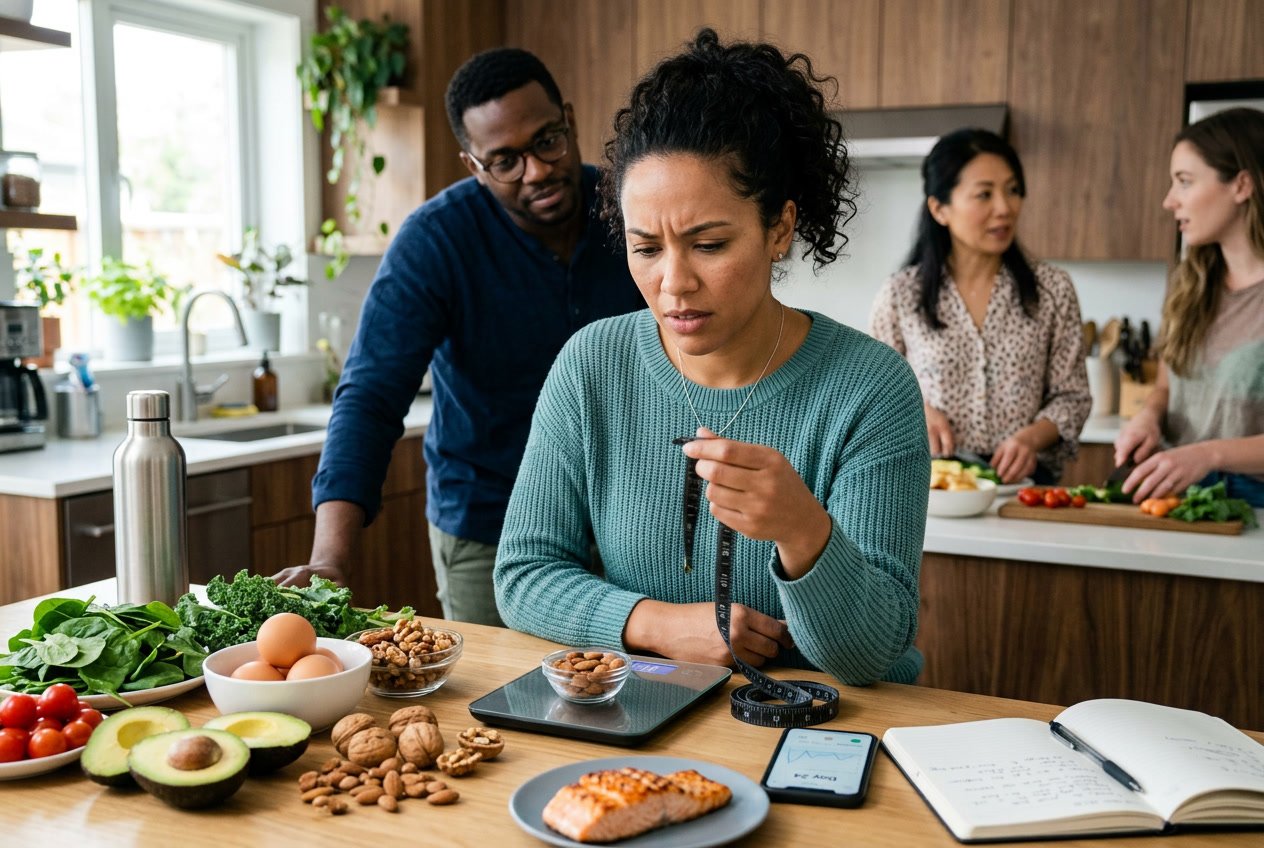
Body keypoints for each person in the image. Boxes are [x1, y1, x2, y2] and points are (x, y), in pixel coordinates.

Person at [494, 29, 929, 686]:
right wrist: (655, 623)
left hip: (827, 738)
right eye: (646, 248)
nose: (674, 282)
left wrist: (803, 531)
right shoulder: (592, 366)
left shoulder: (869, 387)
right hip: (650, 728)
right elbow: (524, 577)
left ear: (778, 229)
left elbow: (872, 655)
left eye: (709, 244)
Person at [272, 48, 644, 622]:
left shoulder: (630, 210)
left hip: (633, 522)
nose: (538, 170)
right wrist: (329, 560)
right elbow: (371, 397)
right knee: (501, 702)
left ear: (569, 120)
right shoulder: (435, 242)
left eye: (548, 140)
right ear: (473, 165)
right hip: (488, 528)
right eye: (505, 161)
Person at [869, 129, 1091, 485]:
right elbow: (875, 395)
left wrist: (1029, 440)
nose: (1005, 208)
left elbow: (1073, 397)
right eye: (984, 194)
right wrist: (919, 413)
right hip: (931, 487)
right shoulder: (901, 295)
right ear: (940, 209)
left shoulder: (1052, 289)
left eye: (1013, 190)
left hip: (1022, 488)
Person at [1115, 107, 1264, 506]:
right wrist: (1149, 417)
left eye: (1184, 182)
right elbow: (1167, 385)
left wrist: (1208, 454)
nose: (1168, 201)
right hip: (1179, 500)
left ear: (1241, 185)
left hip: (1253, 511)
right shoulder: (1189, 285)